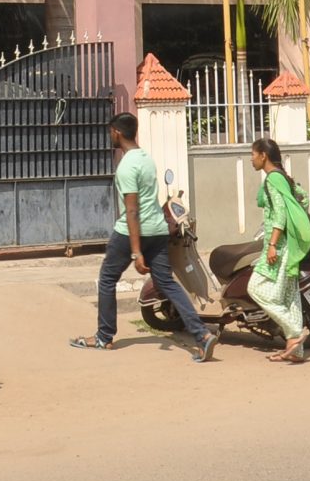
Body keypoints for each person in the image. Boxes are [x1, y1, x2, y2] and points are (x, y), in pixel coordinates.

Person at [71, 112, 219, 361]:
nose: (110, 136)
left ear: (116, 132)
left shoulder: (127, 165)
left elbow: (131, 209)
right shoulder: (146, 159)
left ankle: (103, 337)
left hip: (132, 232)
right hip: (158, 230)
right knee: (167, 283)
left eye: (111, 132)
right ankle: (201, 334)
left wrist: (136, 251)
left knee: (107, 278)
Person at [250, 137, 310, 363]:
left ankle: (294, 334)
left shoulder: (272, 180)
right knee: (290, 296)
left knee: (256, 288)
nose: (252, 159)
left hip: (278, 245)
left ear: (263, 156)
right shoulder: (284, 178)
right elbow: (304, 199)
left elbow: (279, 214)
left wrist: (272, 245)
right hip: (290, 245)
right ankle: (295, 351)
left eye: (253, 154)